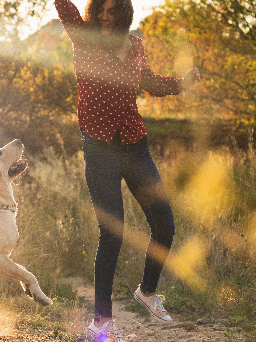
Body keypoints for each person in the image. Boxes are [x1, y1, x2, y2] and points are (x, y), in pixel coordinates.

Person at [54, 0, 200, 341]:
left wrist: (181, 83)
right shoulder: (83, 39)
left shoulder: (135, 45)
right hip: (100, 149)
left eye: (113, 11)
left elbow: (148, 82)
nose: (106, 17)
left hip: (135, 145)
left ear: (124, 15)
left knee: (164, 224)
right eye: (100, 10)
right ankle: (101, 324)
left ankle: (147, 292)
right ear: (92, 13)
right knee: (113, 233)